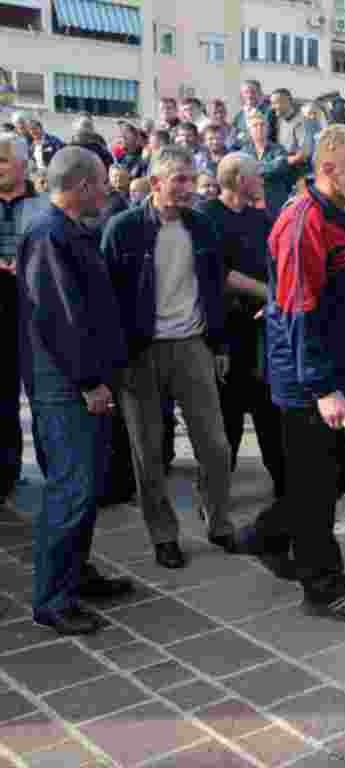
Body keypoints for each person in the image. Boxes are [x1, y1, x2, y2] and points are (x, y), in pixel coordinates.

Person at [233, 125, 345, 621]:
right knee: (317, 485)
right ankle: (323, 587)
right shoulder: (303, 222)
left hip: (342, 368)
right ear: (330, 167)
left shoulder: (343, 214)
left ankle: (268, 533)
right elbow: (300, 311)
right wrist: (321, 387)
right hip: (308, 379)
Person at [101, 145, 234, 570]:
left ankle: (218, 521)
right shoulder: (122, 229)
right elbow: (107, 300)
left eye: (190, 179)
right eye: (177, 179)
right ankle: (163, 534)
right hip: (140, 353)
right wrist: (114, 360)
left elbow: (216, 289)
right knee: (148, 452)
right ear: (155, 183)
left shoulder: (204, 227)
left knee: (215, 446)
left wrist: (220, 344)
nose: (186, 187)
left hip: (194, 345)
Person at [19, 147, 134, 635]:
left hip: (82, 382)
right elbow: (60, 319)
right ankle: (53, 598)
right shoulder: (49, 233)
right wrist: (88, 382)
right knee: (72, 490)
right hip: (66, 387)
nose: (108, 191)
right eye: (103, 183)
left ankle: (76, 574)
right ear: (84, 185)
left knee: (87, 490)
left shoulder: (67, 230)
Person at [197, 153, 285, 499]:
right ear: (236, 178)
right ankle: (214, 494)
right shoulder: (207, 216)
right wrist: (267, 292)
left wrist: (274, 297)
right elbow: (218, 273)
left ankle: (286, 486)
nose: (262, 180)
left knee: (269, 411)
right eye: (256, 175)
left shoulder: (260, 217)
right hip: (225, 332)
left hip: (262, 329)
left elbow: (273, 263)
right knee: (226, 418)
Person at [0, 133, 48, 509]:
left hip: (33, 309)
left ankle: (53, 470)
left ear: (21, 164)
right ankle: (5, 470)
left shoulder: (43, 205)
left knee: (42, 393)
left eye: (3, 161)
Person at [240, 110, 292, 220]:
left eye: (262, 125)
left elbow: (280, 166)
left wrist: (255, 169)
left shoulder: (279, 149)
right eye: (255, 125)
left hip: (276, 204)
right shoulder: (244, 152)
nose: (259, 128)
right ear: (249, 130)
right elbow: (244, 173)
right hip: (253, 205)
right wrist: (269, 166)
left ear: (268, 128)